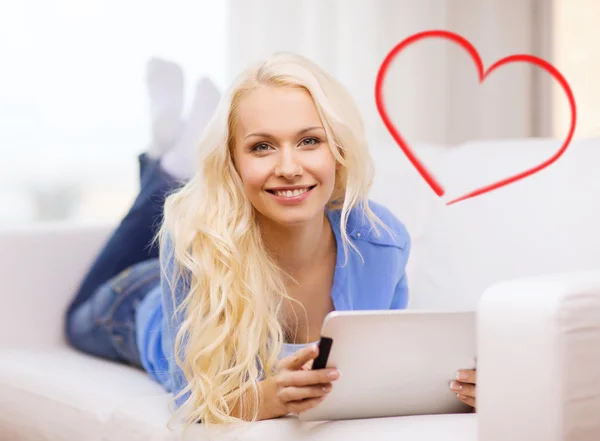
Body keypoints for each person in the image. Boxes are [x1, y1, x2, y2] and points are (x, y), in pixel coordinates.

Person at [64, 52, 477, 428]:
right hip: (133, 302)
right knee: (77, 315)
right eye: (262, 147)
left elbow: (388, 365)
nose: (289, 167)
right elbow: (193, 398)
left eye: (309, 141)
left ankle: (169, 150)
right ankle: (163, 162)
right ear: (233, 163)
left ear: (338, 150)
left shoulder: (381, 241)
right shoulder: (197, 243)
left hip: (210, 249)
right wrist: (269, 396)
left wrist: (467, 388)